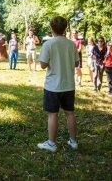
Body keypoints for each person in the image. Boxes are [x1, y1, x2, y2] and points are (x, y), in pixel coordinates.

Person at [37, 16, 79, 152]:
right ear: (65, 28)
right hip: (69, 84)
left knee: (52, 114)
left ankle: (51, 143)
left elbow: (43, 65)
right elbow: (76, 63)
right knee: (70, 113)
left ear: (51, 28)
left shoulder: (48, 44)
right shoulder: (71, 44)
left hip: (53, 85)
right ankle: (73, 141)